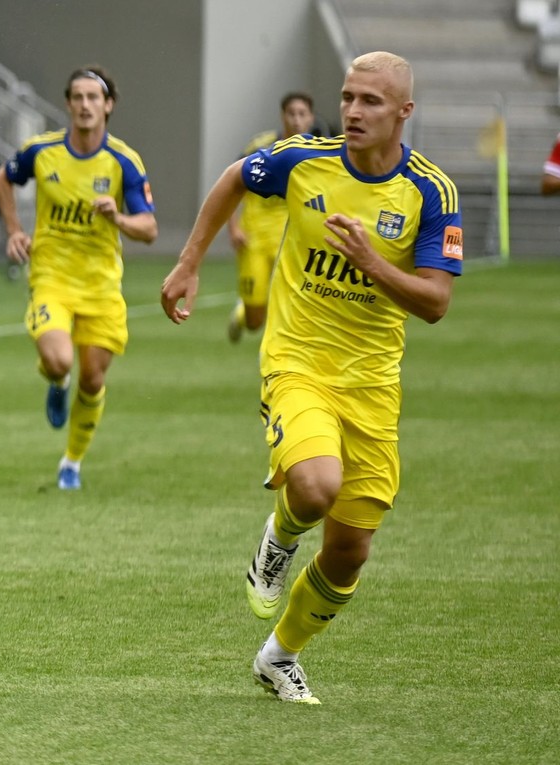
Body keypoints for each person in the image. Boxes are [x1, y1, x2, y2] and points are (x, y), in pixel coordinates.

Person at [160, 52, 462, 704]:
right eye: (349, 97)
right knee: (317, 484)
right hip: (296, 360)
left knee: (351, 549)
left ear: (404, 113)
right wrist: (189, 262)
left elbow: (435, 301)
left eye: (371, 101)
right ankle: (279, 536)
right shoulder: (303, 160)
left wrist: (371, 261)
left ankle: (279, 655)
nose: (353, 110)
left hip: (373, 386)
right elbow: (237, 177)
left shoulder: (430, 192)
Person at [0, 66, 157, 490]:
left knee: (93, 378)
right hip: (52, 277)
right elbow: (3, 178)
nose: (85, 105)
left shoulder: (123, 161)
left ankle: (72, 461)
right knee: (60, 359)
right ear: (68, 104)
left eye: (93, 98)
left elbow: (148, 228)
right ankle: (56, 379)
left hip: (101, 285)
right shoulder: (41, 151)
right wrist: (14, 229)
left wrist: (117, 217)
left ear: (108, 106)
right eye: (77, 98)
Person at [225, 93, 317, 343]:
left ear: (311, 118)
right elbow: (232, 185)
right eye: (291, 114)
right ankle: (243, 314)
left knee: (288, 306)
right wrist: (233, 228)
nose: (296, 120)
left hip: (289, 240)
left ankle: (278, 358)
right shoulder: (262, 146)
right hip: (253, 237)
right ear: (282, 116)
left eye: (302, 114)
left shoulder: (319, 154)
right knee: (256, 320)